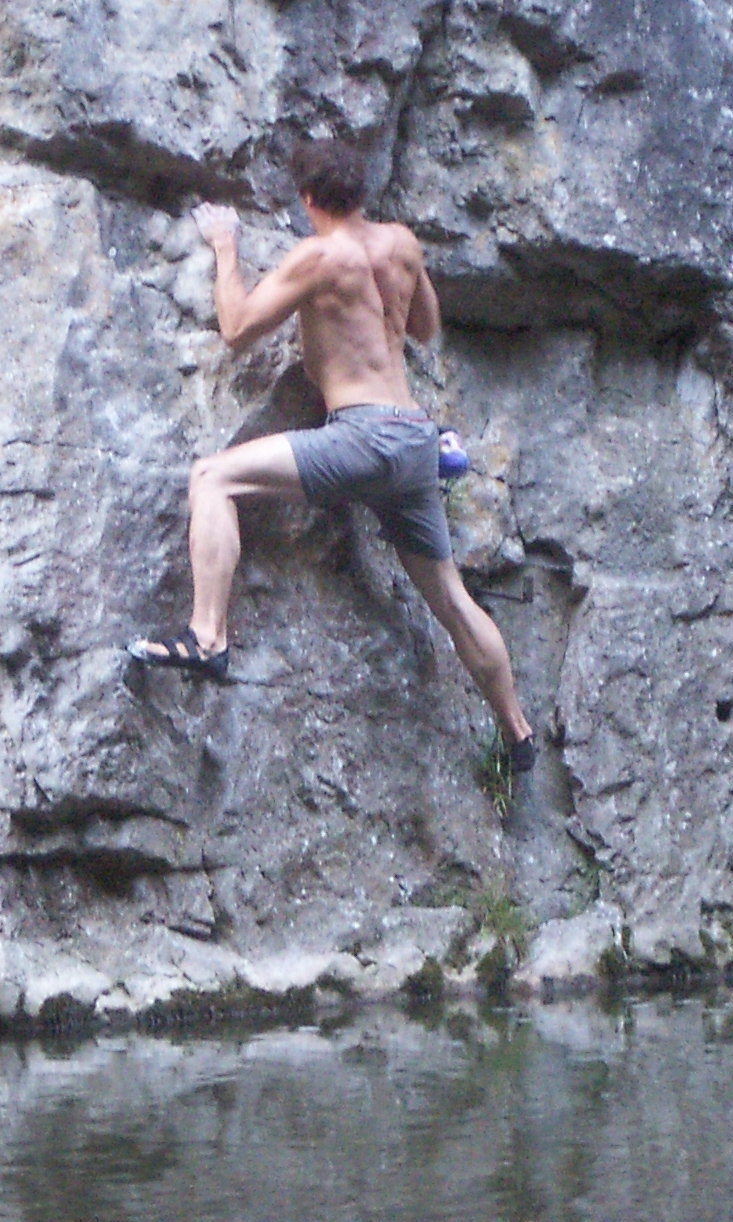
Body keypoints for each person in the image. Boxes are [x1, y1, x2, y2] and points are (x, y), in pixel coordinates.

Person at [127, 135, 539, 786]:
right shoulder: (402, 244)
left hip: (362, 436)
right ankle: (517, 731)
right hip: (415, 440)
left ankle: (207, 636)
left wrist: (225, 247)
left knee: (213, 477)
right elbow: (425, 327)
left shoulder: (317, 257)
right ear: (360, 192)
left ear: (308, 198)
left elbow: (236, 328)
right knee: (451, 597)